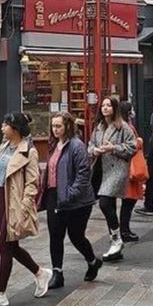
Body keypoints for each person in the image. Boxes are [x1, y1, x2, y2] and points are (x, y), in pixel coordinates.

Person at [0, 112, 52, 306]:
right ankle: (40, 273)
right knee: (11, 245)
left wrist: (25, 206)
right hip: (0, 200)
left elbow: (33, 182)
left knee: (4, 245)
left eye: (5, 125)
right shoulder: (5, 145)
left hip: (14, 203)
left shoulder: (29, 151)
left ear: (15, 129)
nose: (1, 128)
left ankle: (1, 293)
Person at [39, 112, 101, 290]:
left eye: (58, 126)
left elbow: (83, 173)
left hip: (77, 201)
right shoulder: (53, 144)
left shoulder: (76, 146)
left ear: (67, 126)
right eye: (53, 126)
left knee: (76, 236)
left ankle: (92, 261)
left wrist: (70, 195)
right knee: (55, 235)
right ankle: (57, 273)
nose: (55, 129)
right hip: (54, 195)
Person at [88, 96, 137, 263]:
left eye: (109, 105)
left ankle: (116, 238)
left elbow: (132, 147)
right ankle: (116, 241)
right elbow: (90, 145)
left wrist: (113, 148)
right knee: (107, 204)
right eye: (103, 105)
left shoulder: (123, 127)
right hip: (101, 169)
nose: (105, 108)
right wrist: (94, 150)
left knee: (104, 202)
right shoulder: (99, 127)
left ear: (115, 108)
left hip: (117, 170)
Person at [118, 101, 143, 242]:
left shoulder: (124, 124)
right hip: (129, 169)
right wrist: (139, 141)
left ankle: (124, 230)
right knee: (129, 201)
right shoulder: (126, 126)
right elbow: (131, 146)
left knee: (128, 202)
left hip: (127, 168)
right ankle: (124, 231)